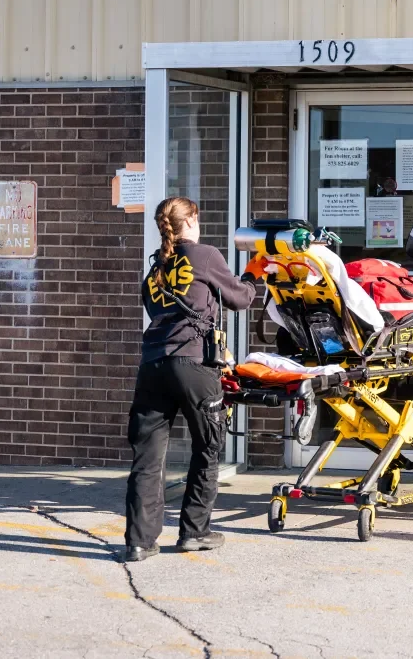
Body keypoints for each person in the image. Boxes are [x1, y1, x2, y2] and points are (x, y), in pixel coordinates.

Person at [125, 197, 256, 562]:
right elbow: (241, 299)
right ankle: (194, 533)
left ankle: (139, 542)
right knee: (207, 447)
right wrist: (254, 276)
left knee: (148, 458)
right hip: (194, 365)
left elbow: (157, 311)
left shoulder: (154, 270)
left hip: (152, 364)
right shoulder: (205, 255)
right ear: (192, 220)